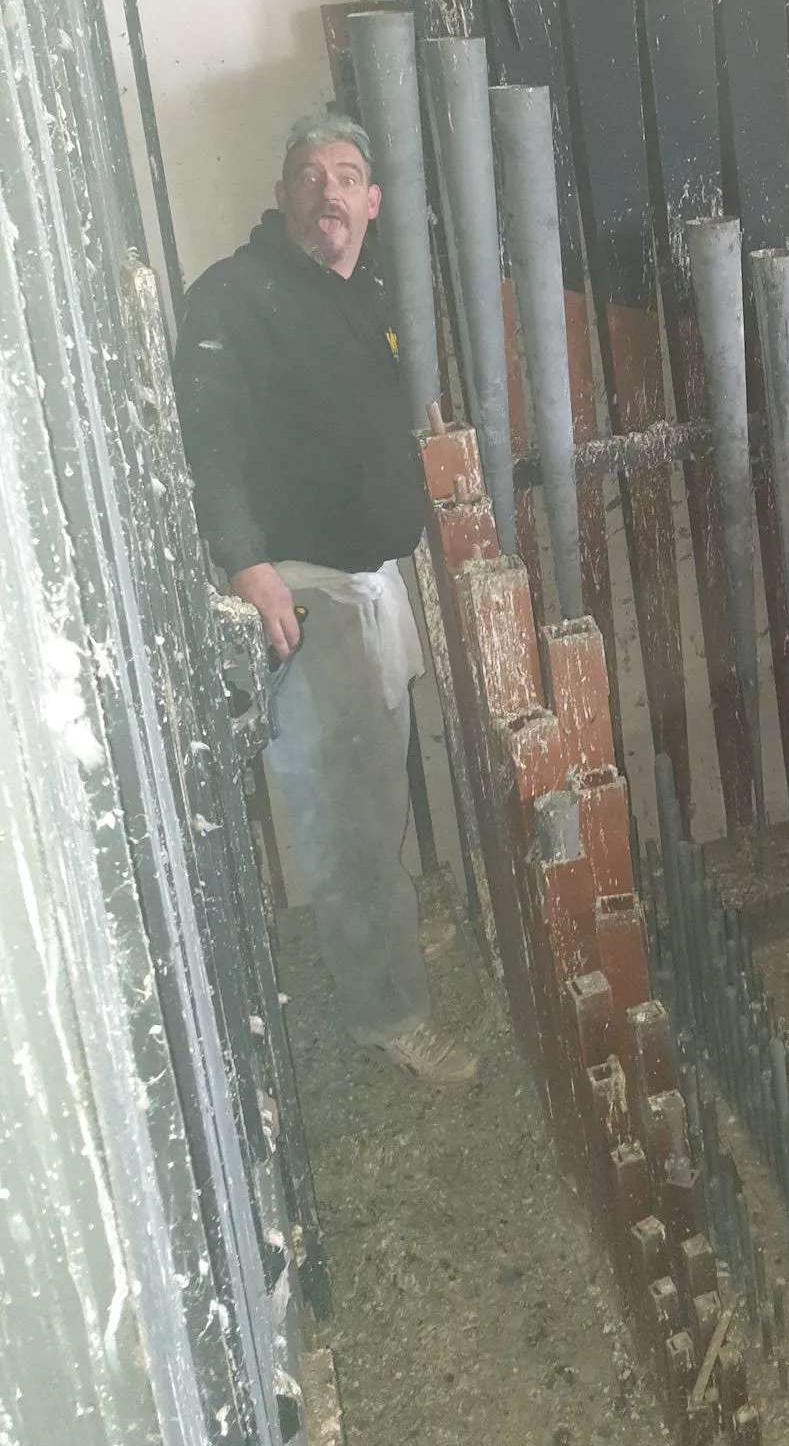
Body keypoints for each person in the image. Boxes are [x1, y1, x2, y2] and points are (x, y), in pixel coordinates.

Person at [174, 108, 477, 1082]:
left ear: (372, 201)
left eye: (346, 175)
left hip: (374, 584)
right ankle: (387, 1011)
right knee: (343, 816)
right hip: (303, 590)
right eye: (309, 175)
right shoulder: (236, 295)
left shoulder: (364, 296)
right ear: (281, 195)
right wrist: (245, 561)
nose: (328, 192)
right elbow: (208, 436)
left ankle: (383, 936)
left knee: (376, 783)